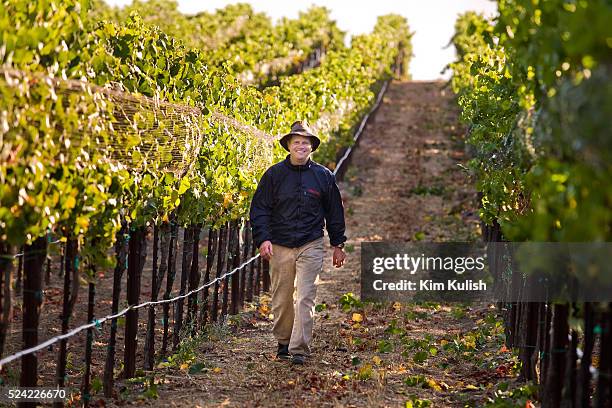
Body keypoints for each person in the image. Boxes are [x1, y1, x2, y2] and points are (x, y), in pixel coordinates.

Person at [249, 120, 347, 365]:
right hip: (280, 244)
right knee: (282, 297)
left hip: (310, 243)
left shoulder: (324, 176)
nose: (301, 146)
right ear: (289, 146)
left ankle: (300, 349)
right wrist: (263, 239)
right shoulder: (274, 175)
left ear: (311, 147)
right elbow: (259, 209)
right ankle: (283, 342)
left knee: (305, 296)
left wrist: (338, 244)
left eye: (305, 142)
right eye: (296, 142)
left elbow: (335, 211)